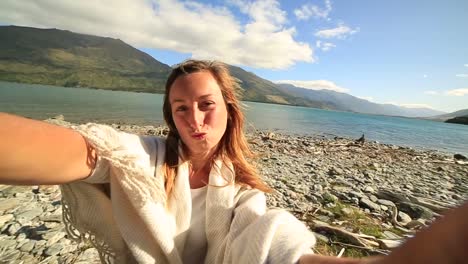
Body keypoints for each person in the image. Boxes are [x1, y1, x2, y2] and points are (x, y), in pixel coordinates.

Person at [0, 60, 467, 264]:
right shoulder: (145, 158)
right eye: (181, 109)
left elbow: (269, 244)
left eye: (206, 105)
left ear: (228, 110)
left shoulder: (242, 190)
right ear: (170, 116)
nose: (194, 120)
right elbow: (87, 152)